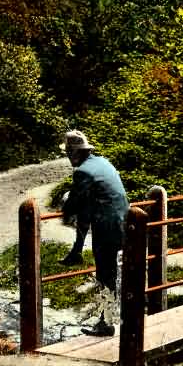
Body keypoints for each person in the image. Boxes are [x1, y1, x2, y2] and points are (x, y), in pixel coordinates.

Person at [59, 130, 129, 336]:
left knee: (105, 275)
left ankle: (106, 324)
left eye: (67, 153)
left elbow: (73, 205)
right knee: (112, 273)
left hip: (107, 227)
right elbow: (86, 206)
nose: (67, 157)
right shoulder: (103, 163)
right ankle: (110, 319)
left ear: (74, 153)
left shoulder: (83, 172)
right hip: (125, 223)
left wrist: (65, 208)